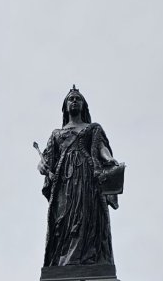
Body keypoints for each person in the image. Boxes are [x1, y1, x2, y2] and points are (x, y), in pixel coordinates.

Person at [38, 86, 122, 269]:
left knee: (86, 216)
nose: (74, 101)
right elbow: (47, 160)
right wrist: (41, 165)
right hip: (64, 182)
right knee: (64, 220)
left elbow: (101, 148)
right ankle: (64, 260)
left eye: (78, 99)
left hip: (87, 178)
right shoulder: (56, 135)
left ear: (84, 105)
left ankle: (87, 258)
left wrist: (109, 159)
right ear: (65, 106)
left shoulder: (93, 128)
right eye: (71, 99)